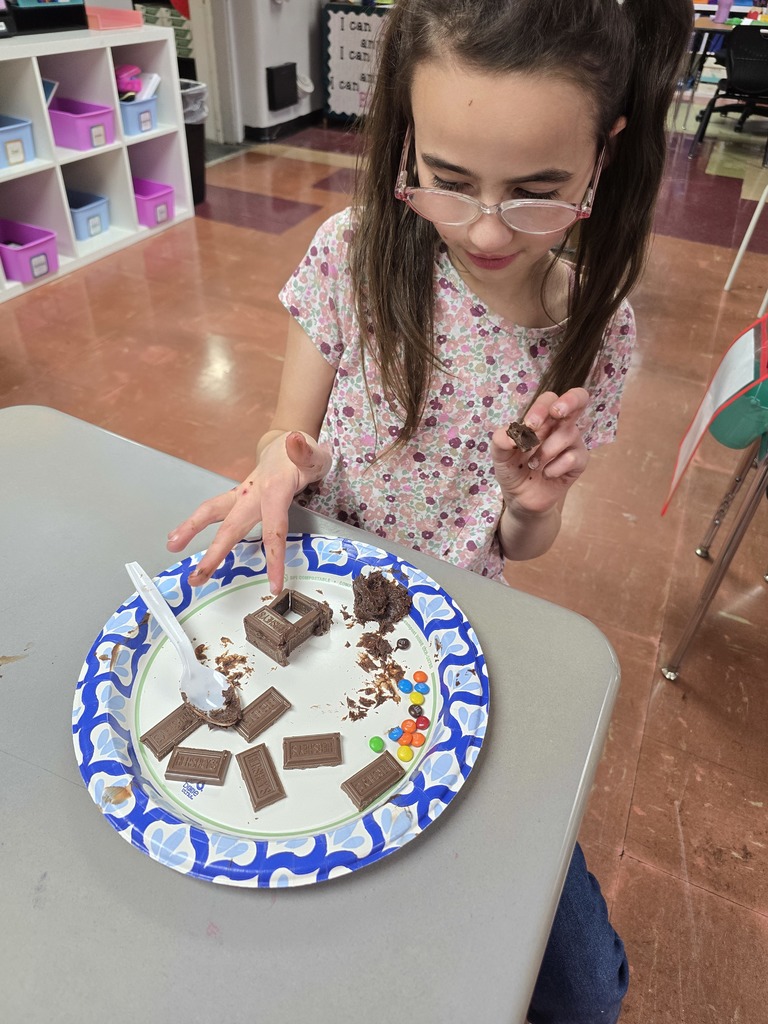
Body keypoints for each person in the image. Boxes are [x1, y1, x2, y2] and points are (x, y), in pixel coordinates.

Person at [168, 1, 691, 1020]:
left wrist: (529, 503)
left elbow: (523, 547)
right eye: (446, 180)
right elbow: (290, 436)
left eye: (539, 195)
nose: (486, 229)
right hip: (313, 608)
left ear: (605, 153)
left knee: (581, 991)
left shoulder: (597, 332)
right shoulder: (350, 252)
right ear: (403, 131)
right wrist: (277, 464)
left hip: (460, 641)